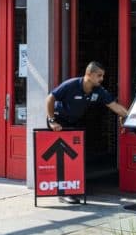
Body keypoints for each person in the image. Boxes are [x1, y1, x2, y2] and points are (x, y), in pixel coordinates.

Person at [46, 61, 129, 203]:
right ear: (89, 74)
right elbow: (50, 98)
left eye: (102, 76)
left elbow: (114, 106)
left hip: (73, 122)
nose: (102, 79)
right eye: (99, 75)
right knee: (65, 158)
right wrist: (52, 120)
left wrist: (129, 116)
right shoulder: (71, 85)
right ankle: (65, 193)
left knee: (76, 156)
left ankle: (73, 188)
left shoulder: (98, 90)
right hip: (59, 122)